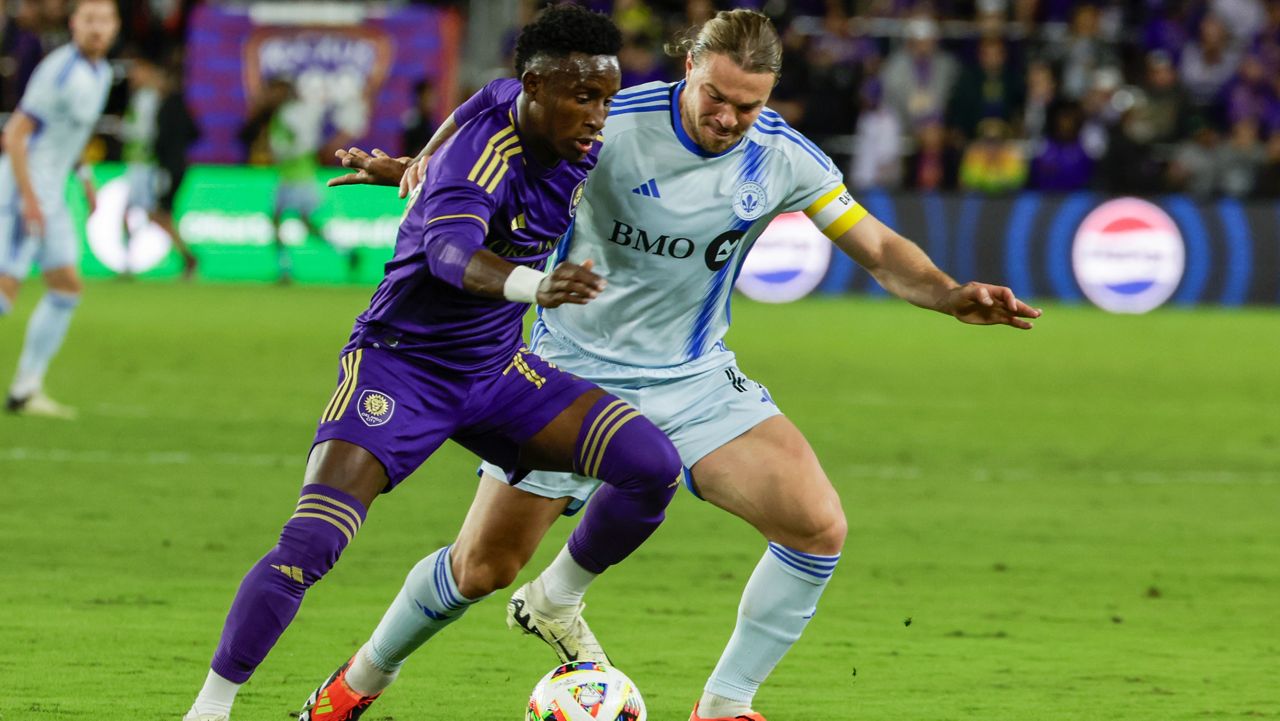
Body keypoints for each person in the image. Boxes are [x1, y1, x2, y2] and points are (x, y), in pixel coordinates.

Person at [331, 9, 1041, 721]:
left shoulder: (783, 157)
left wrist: (950, 294)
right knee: (481, 567)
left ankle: (724, 704)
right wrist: (417, 167)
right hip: (568, 375)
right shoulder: (611, 124)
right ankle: (356, 681)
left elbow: (880, 250)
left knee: (816, 526)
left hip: (694, 379)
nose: (730, 118)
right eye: (717, 98)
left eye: (749, 105)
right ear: (690, 68)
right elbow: (501, 125)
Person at [179, 7, 684, 721]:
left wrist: (415, 158)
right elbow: (449, 258)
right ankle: (211, 706)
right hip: (400, 369)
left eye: (605, 97)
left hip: (497, 372)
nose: (599, 116)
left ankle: (554, 597)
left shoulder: (528, 108)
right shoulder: (487, 158)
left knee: (651, 465)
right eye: (585, 98)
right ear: (538, 86)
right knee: (311, 544)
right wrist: (532, 284)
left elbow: (483, 93)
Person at [0, 0, 119, 418]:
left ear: (115, 28)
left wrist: (84, 178)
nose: (97, 29)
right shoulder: (59, 71)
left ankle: (25, 390)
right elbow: (15, 135)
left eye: (104, 21)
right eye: (89, 21)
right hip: (23, 193)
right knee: (4, 293)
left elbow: (70, 133)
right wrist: (29, 200)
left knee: (66, 286)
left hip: (51, 196)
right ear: (74, 25)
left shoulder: (101, 72)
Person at [120, 54, 198, 279]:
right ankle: (184, 257)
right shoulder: (142, 97)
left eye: (138, 70)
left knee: (153, 214)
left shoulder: (152, 99)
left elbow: (149, 134)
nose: (133, 75)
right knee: (148, 214)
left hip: (146, 166)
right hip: (139, 164)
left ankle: (185, 256)